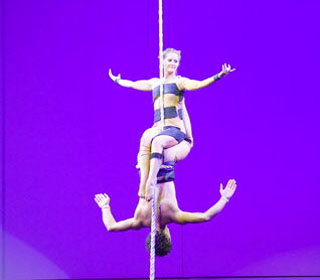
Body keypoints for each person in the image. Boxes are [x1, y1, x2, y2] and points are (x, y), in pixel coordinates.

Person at [109, 48, 235, 200]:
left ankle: (150, 182)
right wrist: (117, 80)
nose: (173, 63)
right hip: (158, 127)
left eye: (176, 61)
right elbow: (133, 84)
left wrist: (219, 75)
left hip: (174, 129)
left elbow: (199, 84)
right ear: (162, 62)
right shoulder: (154, 83)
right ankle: (143, 184)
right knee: (144, 138)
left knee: (157, 142)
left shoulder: (179, 82)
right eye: (170, 60)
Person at [94, 142, 237, 256]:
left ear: (168, 237)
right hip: (144, 166)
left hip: (163, 163)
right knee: (151, 133)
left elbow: (206, 217)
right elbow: (110, 227)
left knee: (188, 142)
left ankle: (179, 105)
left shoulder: (173, 216)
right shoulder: (138, 221)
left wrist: (224, 198)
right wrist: (105, 206)